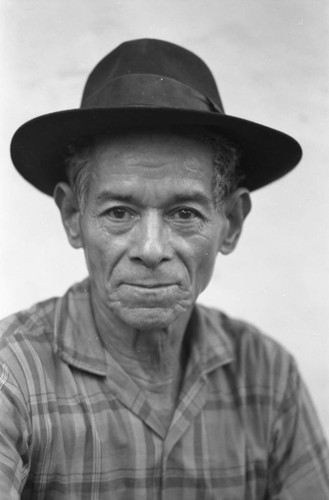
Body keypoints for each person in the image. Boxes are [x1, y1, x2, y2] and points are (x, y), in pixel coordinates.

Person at [0, 38, 328, 499]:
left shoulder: (268, 377)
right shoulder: (11, 377)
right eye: (119, 212)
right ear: (73, 216)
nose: (151, 249)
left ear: (230, 224)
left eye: (184, 213)